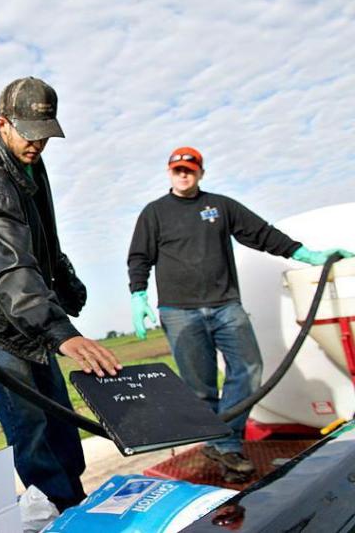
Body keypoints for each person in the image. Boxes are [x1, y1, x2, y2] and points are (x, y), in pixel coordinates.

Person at [127, 146, 352, 478]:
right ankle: (223, 448)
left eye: (190, 169)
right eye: (178, 170)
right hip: (179, 313)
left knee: (248, 369)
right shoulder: (154, 213)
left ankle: (226, 443)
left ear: (201, 172)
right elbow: (139, 256)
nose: (184, 174)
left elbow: (262, 234)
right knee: (200, 387)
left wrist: (307, 255)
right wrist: (138, 294)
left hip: (225, 305)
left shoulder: (219, 206)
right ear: (169, 173)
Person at [0, 76, 121, 510]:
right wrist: (60, 331)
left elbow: (44, 238)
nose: (37, 144)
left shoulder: (31, 163)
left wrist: (66, 283)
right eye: (29, 134)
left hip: (31, 310)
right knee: (28, 426)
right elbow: (10, 269)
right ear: (2, 123)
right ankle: (57, 510)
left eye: (45, 135)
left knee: (60, 420)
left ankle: (75, 500)